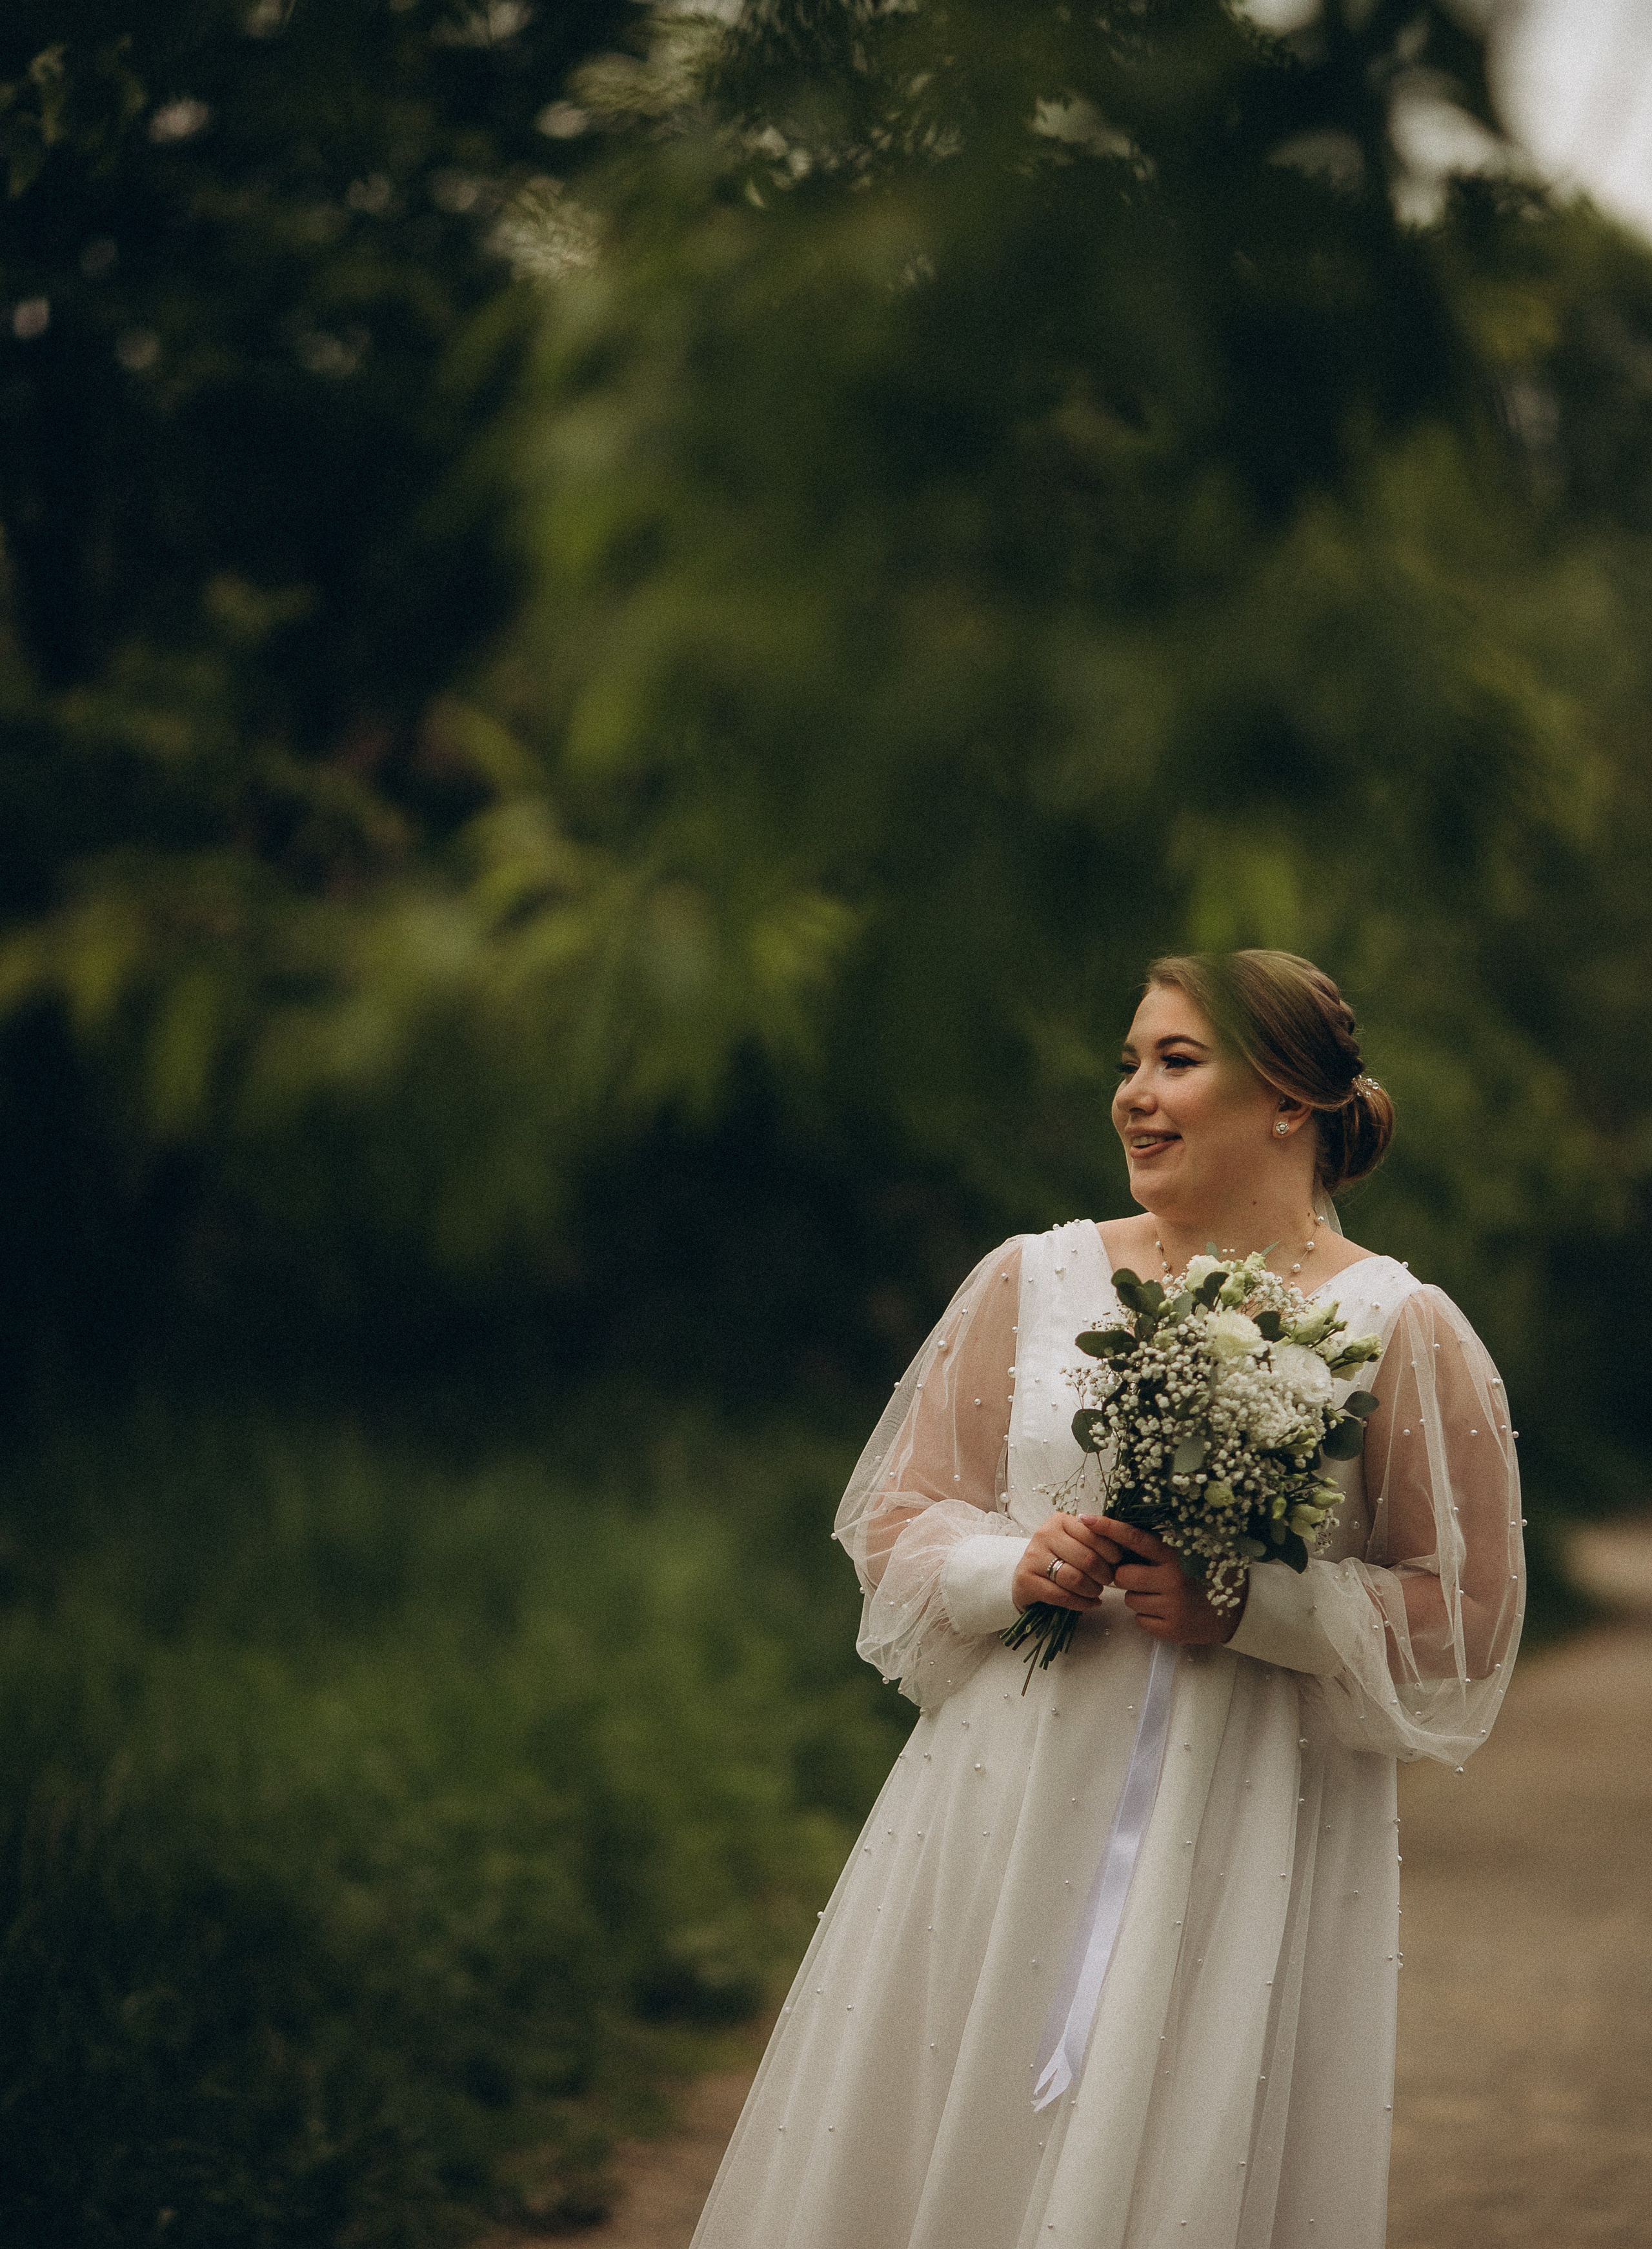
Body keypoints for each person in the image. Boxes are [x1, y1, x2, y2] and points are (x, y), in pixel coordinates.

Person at [689, 949, 1524, 2249]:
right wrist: (1006, 1567)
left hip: (1242, 1811)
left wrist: (1251, 1606)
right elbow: (899, 1518)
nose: (1132, 1093)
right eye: (1127, 1064)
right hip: (1002, 1797)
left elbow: (1463, 1611)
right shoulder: (1032, 1278)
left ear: (1288, 1102)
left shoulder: (1396, 1325)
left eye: (1174, 1061)